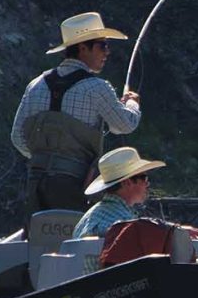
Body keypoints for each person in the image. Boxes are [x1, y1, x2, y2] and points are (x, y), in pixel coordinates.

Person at [11, 12, 142, 221]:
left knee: (39, 240)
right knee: (71, 242)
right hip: (76, 184)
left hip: (35, 182)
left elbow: (17, 138)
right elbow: (124, 125)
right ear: (83, 48)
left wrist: (45, 160)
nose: (107, 52)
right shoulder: (96, 87)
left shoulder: (35, 85)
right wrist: (132, 103)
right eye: (102, 45)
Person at [71, 146, 166, 263]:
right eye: (144, 178)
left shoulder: (88, 217)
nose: (147, 184)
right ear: (127, 182)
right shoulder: (124, 224)